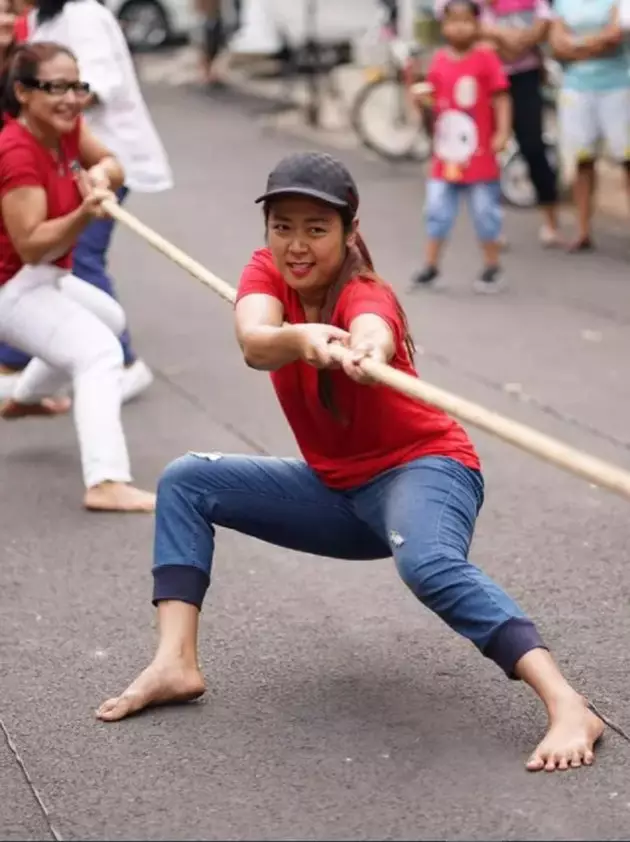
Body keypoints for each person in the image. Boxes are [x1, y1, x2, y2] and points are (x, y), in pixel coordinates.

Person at [97, 150, 604, 773]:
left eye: (316, 228)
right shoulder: (265, 273)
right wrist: (300, 338)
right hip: (338, 494)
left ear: (349, 231)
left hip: (426, 470)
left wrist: (364, 348)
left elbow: (375, 328)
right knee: (186, 480)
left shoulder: (367, 293)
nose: (296, 245)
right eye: (283, 227)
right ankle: (175, 662)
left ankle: (568, 703)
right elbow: (256, 343)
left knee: (428, 563)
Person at [0, 41, 155, 513]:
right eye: (57, 87)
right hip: (12, 286)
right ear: (24, 92)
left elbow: (113, 162)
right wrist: (84, 214)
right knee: (100, 353)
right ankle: (106, 480)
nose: (72, 98)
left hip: (42, 275)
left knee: (108, 318)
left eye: (78, 86)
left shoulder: (64, 130)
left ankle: (22, 398)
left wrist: (101, 178)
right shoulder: (16, 152)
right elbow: (31, 242)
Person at [0, 0, 174, 402]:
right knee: (44, 265)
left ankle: (124, 364)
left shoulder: (84, 16)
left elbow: (103, 82)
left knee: (79, 260)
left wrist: (55, 103)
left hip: (102, 159)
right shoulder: (41, 23)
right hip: (57, 160)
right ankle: (19, 370)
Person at [411, 0, 512, 294]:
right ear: (443, 25)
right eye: (453, 21)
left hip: (480, 155)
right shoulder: (439, 60)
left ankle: (492, 266)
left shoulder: (486, 59)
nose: (459, 27)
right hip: (446, 156)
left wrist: (503, 131)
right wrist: (421, 104)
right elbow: (432, 104)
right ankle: (431, 266)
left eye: (466, 20)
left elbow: (502, 97)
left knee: (485, 211)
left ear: (478, 24)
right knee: (437, 210)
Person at [477, 0, 563, 247]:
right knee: (487, 151)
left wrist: (521, 40)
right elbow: (463, 21)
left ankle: (551, 222)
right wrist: (503, 36)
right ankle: (491, 228)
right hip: (486, 75)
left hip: (526, 75)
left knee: (533, 146)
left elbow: (544, 19)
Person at [550, 0, 628, 251]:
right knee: (582, 160)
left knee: (627, 160)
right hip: (577, 88)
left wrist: (576, 46)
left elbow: (616, 35)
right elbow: (557, 46)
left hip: (617, 85)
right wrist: (597, 43)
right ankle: (583, 230)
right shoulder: (563, 3)